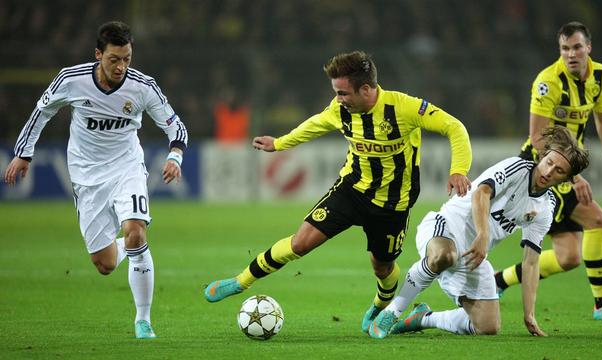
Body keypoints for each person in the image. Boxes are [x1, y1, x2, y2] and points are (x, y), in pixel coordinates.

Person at [203, 50, 473, 333]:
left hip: (393, 203)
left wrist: (458, 169)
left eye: (343, 93)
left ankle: (381, 304)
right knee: (300, 243)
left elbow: (454, 127)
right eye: (337, 93)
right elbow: (314, 125)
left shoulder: (404, 108)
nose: (338, 99)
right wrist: (280, 143)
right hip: (351, 190)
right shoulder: (340, 109)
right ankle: (240, 281)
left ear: (366, 89)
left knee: (382, 266)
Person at [3, 21, 189, 339]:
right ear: (98, 54)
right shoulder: (71, 80)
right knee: (104, 264)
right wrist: (24, 153)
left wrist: (175, 156)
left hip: (127, 167)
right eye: (114, 59)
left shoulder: (143, 86)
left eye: (127, 59)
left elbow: (176, 127)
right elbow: (40, 113)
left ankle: (142, 320)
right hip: (86, 176)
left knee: (135, 231)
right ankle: (126, 245)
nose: (121, 67)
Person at [368, 126, 590, 339]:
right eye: (549, 162)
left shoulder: (545, 206)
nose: (549, 171)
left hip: (473, 254)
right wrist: (483, 234)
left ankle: (423, 319)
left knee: (487, 326)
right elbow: (481, 193)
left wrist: (529, 313)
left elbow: (531, 262)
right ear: (542, 157)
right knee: (444, 255)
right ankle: (393, 312)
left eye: (559, 170)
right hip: (445, 227)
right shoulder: (517, 168)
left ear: (567, 179)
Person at [493, 22, 602, 321]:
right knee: (596, 218)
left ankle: (498, 280)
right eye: (565, 48)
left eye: (577, 47)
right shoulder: (547, 81)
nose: (571, 54)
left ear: (588, 48)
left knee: (569, 257)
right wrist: (573, 176)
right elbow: (538, 137)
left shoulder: (600, 75)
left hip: (566, 171)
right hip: (543, 169)